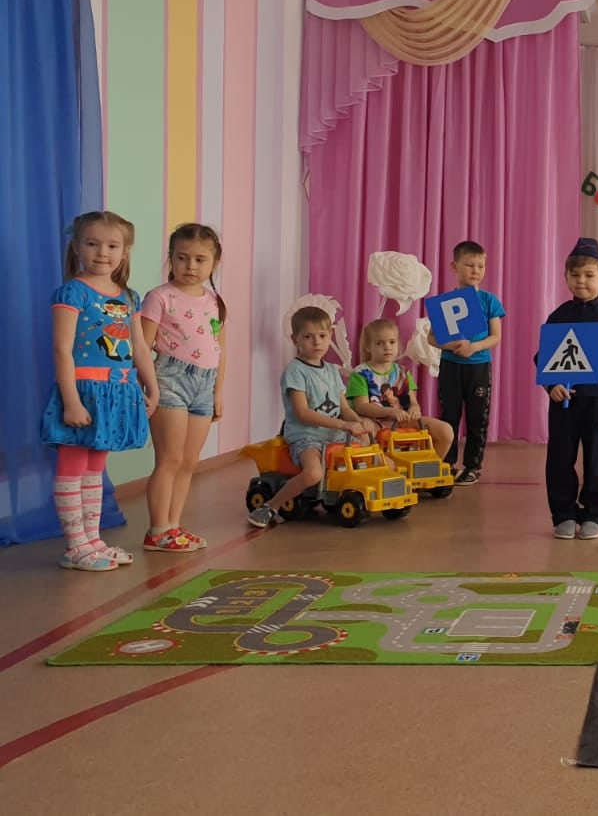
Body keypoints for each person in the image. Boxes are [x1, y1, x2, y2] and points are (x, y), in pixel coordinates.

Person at [41, 211, 159, 571]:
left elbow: (140, 348)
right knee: (73, 466)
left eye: (112, 246)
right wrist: (72, 401)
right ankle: (75, 546)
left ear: (125, 251)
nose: (102, 253)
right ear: (77, 247)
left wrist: (151, 386)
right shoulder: (73, 292)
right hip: (83, 391)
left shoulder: (129, 297)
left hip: (116, 392)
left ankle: (91, 540)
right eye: (92, 244)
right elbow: (62, 349)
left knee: (95, 467)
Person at [139, 223, 227, 553]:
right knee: (170, 458)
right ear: (171, 258)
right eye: (182, 257)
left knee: (189, 461)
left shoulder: (215, 301)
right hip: (170, 380)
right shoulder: (159, 297)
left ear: (214, 263)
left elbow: (220, 349)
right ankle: (157, 529)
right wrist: (149, 388)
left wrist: (217, 392)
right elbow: (142, 347)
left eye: (200, 260)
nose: (191, 266)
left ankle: (173, 526)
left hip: (204, 384)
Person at [248, 307, 377, 528]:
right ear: (294, 339)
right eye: (308, 337)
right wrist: (344, 424)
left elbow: (344, 407)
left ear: (330, 336)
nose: (317, 342)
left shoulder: (332, 371)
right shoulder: (295, 371)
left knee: (370, 448)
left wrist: (359, 421)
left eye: (322, 336)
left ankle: (352, 494)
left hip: (335, 435)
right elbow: (303, 413)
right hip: (306, 437)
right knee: (314, 473)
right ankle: (270, 507)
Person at [542, 238, 598, 540]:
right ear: (566, 277)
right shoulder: (558, 316)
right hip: (564, 403)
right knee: (559, 459)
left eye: (589, 275)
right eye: (575, 275)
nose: (582, 281)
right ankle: (563, 513)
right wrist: (551, 386)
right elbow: (543, 357)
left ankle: (594, 514)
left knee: (597, 462)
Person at [429, 240, 505, 486]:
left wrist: (473, 347)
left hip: (478, 368)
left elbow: (496, 336)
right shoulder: (445, 302)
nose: (475, 271)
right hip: (451, 366)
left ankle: (473, 466)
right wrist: (449, 345)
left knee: (477, 418)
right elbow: (431, 337)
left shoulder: (489, 300)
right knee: (449, 416)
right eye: (469, 265)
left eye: (480, 266)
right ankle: (448, 464)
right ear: (454, 266)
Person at [347, 317, 454, 457]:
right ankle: (381, 466)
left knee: (445, 431)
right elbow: (362, 407)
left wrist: (414, 409)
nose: (387, 347)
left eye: (392, 342)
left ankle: (430, 465)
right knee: (363, 435)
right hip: (373, 421)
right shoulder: (360, 373)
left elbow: (413, 402)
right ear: (368, 346)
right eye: (379, 343)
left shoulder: (403, 372)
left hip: (401, 421)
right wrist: (391, 412)